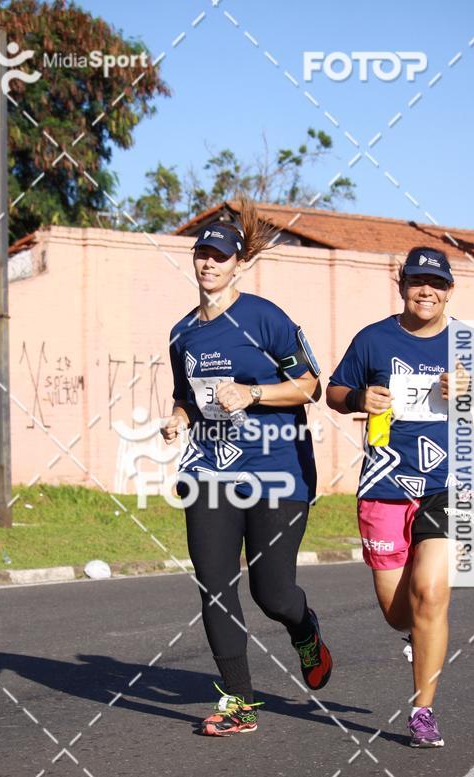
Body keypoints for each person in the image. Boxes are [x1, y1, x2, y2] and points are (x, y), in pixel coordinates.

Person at [327, 246, 474, 748]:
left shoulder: (469, 344)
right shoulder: (373, 339)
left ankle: (422, 711)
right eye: (416, 281)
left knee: (431, 591)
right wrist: (359, 399)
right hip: (385, 484)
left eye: (435, 283)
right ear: (402, 285)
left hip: (451, 482)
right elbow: (335, 391)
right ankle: (418, 635)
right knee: (398, 612)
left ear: (449, 290)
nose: (425, 291)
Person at [160, 197, 332, 736]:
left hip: (279, 472)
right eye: (201, 255)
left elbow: (312, 386)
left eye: (219, 256)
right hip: (210, 471)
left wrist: (253, 393)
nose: (208, 264)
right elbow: (185, 395)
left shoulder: (265, 318)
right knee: (214, 584)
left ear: (238, 263)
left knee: (272, 593)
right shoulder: (181, 333)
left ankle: (304, 630)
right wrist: (178, 419)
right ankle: (239, 702)